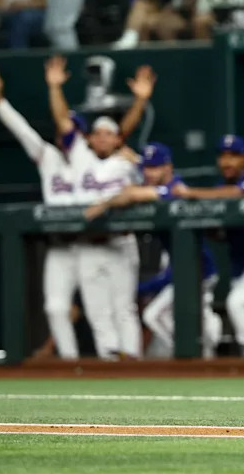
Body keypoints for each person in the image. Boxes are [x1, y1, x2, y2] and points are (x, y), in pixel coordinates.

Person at [46, 57, 154, 360]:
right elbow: (63, 123)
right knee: (97, 311)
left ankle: (132, 360)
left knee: (125, 308)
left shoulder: (125, 160)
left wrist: (140, 101)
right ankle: (109, 365)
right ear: (90, 139)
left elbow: (127, 130)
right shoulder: (82, 156)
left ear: (117, 138)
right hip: (88, 242)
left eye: (110, 133)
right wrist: (55, 88)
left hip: (120, 240)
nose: (104, 137)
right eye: (98, 134)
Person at [83, 142, 223, 359]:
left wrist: (104, 204)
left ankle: (199, 351)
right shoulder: (156, 182)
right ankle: (198, 354)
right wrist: (138, 161)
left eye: (155, 167)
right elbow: (139, 186)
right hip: (182, 271)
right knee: (158, 315)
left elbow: (131, 194)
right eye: (147, 168)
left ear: (168, 167)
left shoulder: (176, 188)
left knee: (159, 315)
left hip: (200, 270)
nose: (149, 172)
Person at [0, 64, 82, 358]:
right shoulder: (49, 156)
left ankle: (117, 369)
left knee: (106, 311)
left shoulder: (92, 161)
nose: (63, 135)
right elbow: (22, 131)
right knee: (55, 307)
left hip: (93, 241)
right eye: (61, 130)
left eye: (71, 131)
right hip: (59, 244)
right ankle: (70, 365)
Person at [170, 134, 244, 358]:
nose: (227, 162)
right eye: (223, 156)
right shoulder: (218, 188)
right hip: (240, 265)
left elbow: (237, 193)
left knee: (238, 302)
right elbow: (220, 233)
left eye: (233, 156)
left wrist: (192, 193)